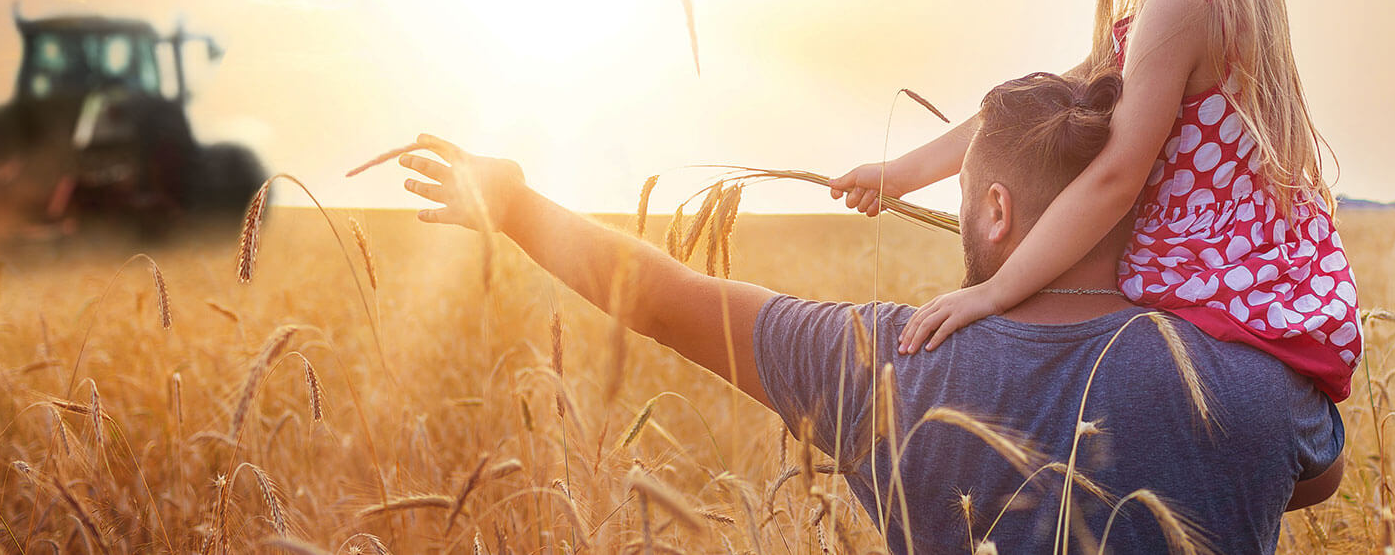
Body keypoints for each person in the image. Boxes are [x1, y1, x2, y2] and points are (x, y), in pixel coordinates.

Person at [394, 71, 1344, 553]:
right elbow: (1311, 481)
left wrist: (514, 207)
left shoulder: (893, 361)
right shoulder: (1254, 380)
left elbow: (665, 297)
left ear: (997, 211)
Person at [829, 0, 1361, 403]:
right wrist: (898, 174)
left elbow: (1116, 178)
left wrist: (993, 292)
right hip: (1245, 265)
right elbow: (1007, 122)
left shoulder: (1178, 5)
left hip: (1207, 271)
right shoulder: (1168, 16)